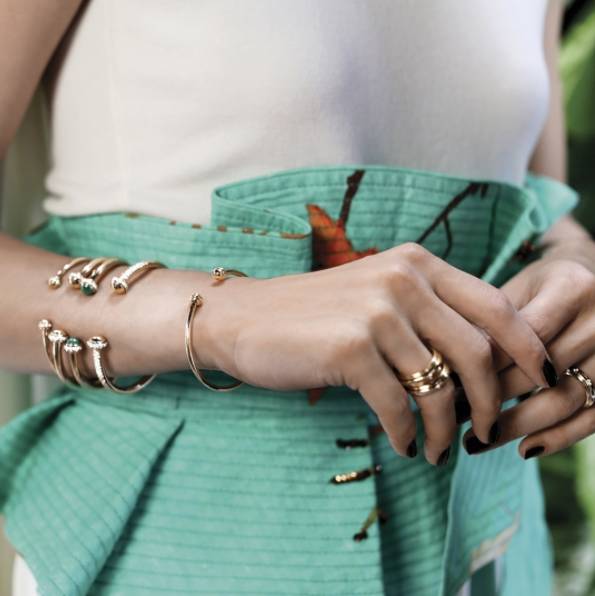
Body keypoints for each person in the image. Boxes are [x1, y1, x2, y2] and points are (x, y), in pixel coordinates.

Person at [1, 1, 594, 595]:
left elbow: (541, 207)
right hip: (179, 547)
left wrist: (576, 266)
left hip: (486, 537)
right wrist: (227, 318)